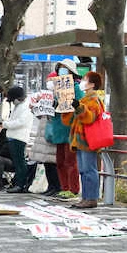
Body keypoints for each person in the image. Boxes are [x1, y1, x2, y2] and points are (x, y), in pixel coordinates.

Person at [64, 71, 106, 209]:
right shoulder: (85, 99)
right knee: (83, 169)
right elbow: (70, 120)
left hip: (88, 140)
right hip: (81, 140)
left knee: (89, 169)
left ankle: (91, 198)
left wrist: (78, 107)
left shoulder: (94, 100)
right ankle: (86, 197)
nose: (83, 82)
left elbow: (89, 118)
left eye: (85, 80)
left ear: (92, 84)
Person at [51, 59, 82, 199]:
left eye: (65, 69)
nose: (61, 71)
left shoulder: (77, 88)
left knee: (70, 161)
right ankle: (64, 187)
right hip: (59, 128)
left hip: (70, 129)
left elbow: (81, 106)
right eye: (60, 69)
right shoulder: (56, 88)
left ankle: (73, 188)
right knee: (60, 161)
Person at [28, 75, 61, 196]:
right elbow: (41, 115)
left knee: (53, 162)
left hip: (51, 131)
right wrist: (35, 108)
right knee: (46, 162)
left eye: (51, 81)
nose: (49, 83)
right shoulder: (45, 96)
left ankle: (56, 186)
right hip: (43, 131)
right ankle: (51, 186)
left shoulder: (58, 96)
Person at [3, 86, 34, 193]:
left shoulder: (26, 107)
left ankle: (21, 184)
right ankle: (17, 183)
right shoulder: (18, 106)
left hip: (19, 137)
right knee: (17, 162)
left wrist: (5, 124)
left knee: (20, 162)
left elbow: (20, 122)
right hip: (13, 136)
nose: (12, 102)